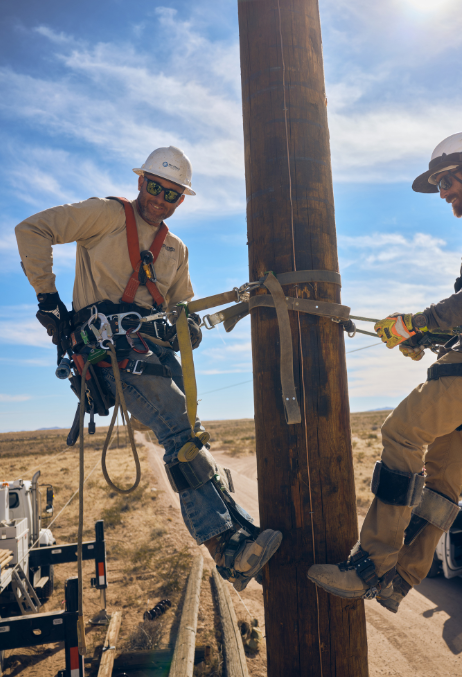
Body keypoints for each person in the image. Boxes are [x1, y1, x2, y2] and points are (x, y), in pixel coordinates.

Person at [14, 147, 281, 591]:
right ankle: (224, 549)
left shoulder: (175, 249)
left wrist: (188, 327)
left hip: (152, 355)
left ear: (181, 200)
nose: (160, 199)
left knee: (190, 433)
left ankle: (240, 530)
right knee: (178, 430)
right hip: (109, 359)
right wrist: (47, 297)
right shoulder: (104, 215)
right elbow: (32, 229)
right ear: (140, 182)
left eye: (171, 194)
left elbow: (180, 306)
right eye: (154, 187)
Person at [308, 131, 462, 612]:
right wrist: (424, 336)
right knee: (442, 472)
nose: (443, 194)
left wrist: (415, 322)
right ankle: (402, 577)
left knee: (401, 431)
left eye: (446, 182)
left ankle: (371, 564)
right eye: (439, 185)